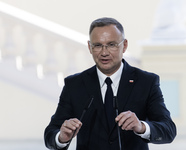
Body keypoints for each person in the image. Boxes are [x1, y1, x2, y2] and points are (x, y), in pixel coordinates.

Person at [44, 17, 176, 150]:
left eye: (111, 45)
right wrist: (61, 138)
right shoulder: (75, 84)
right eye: (98, 45)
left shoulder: (146, 82)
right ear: (90, 47)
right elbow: (50, 135)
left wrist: (141, 127)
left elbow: (168, 130)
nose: (104, 52)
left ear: (124, 45)